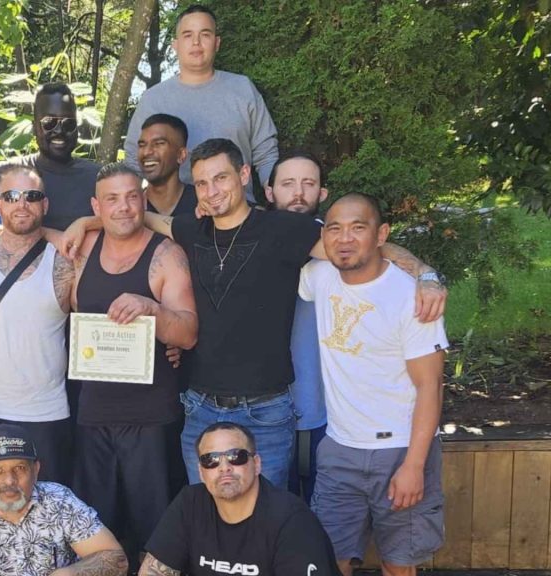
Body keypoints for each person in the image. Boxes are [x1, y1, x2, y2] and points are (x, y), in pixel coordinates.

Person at [62, 138, 446, 490]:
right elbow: (136, 216)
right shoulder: (191, 231)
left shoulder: (285, 229)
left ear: (243, 174)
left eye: (221, 178)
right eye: (203, 184)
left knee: (268, 517)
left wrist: (426, 274)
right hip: (200, 406)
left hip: (267, 409)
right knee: (206, 516)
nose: (212, 191)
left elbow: (360, 246)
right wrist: (85, 222)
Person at [300, 194, 448, 576]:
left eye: (357, 227)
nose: (344, 238)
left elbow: (430, 386)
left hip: (399, 450)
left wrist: (414, 465)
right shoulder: (318, 277)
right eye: (334, 228)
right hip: (339, 449)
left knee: (397, 563)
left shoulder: (410, 297)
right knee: (328, 560)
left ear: (381, 234)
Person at [71, 163, 198, 569]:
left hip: (151, 419)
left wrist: (151, 309)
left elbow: (189, 333)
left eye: (132, 196)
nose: (124, 207)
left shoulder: (166, 256)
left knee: (156, 535)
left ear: (144, 199)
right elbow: (31, 234)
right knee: (96, 535)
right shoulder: (85, 247)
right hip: (92, 418)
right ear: (96, 206)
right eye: (112, 198)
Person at [0, 164, 76, 484]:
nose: (21, 204)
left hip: (48, 414)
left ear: (45, 205)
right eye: (11, 196)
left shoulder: (66, 260)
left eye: (32, 196)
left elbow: (98, 312)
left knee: (50, 517)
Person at [139, 422, 339, 576]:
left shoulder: (293, 520)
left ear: (257, 464)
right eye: (211, 460)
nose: (224, 467)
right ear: (201, 472)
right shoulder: (189, 503)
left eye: (236, 456)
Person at [123, 4, 278, 199]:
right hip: (172, 215)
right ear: (175, 45)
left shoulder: (243, 89)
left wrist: (275, 191)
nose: (196, 42)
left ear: (217, 43)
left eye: (205, 34)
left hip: (237, 213)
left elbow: (266, 152)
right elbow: (133, 160)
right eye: (188, 35)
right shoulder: (154, 99)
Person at [0, 424, 128, 576]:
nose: (10, 481)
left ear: (36, 470)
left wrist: (68, 574)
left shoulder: (59, 501)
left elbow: (116, 559)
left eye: (20, 468)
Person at [262, 152, 329, 503]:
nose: (298, 193)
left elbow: (381, 255)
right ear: (269, 191)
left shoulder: (340, 252)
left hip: (329, 415)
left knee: (328, 524)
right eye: (288, 184)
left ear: (323, 193)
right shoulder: (246, 244)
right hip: (259, 413)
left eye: (309, 184)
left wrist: (425, 273)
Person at [0, 83, 101, 231]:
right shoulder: (6, 173)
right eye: (49, 123)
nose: (59, 130)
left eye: (68, 123)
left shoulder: (97, 178)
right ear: (35, 127)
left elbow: (127, 218)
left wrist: (87, 224)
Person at [138, 114, 198, 217]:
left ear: (181, 155)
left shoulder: (204, 203)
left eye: (159, 143)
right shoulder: (130, 207)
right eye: (142, 145)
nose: (147, 152)